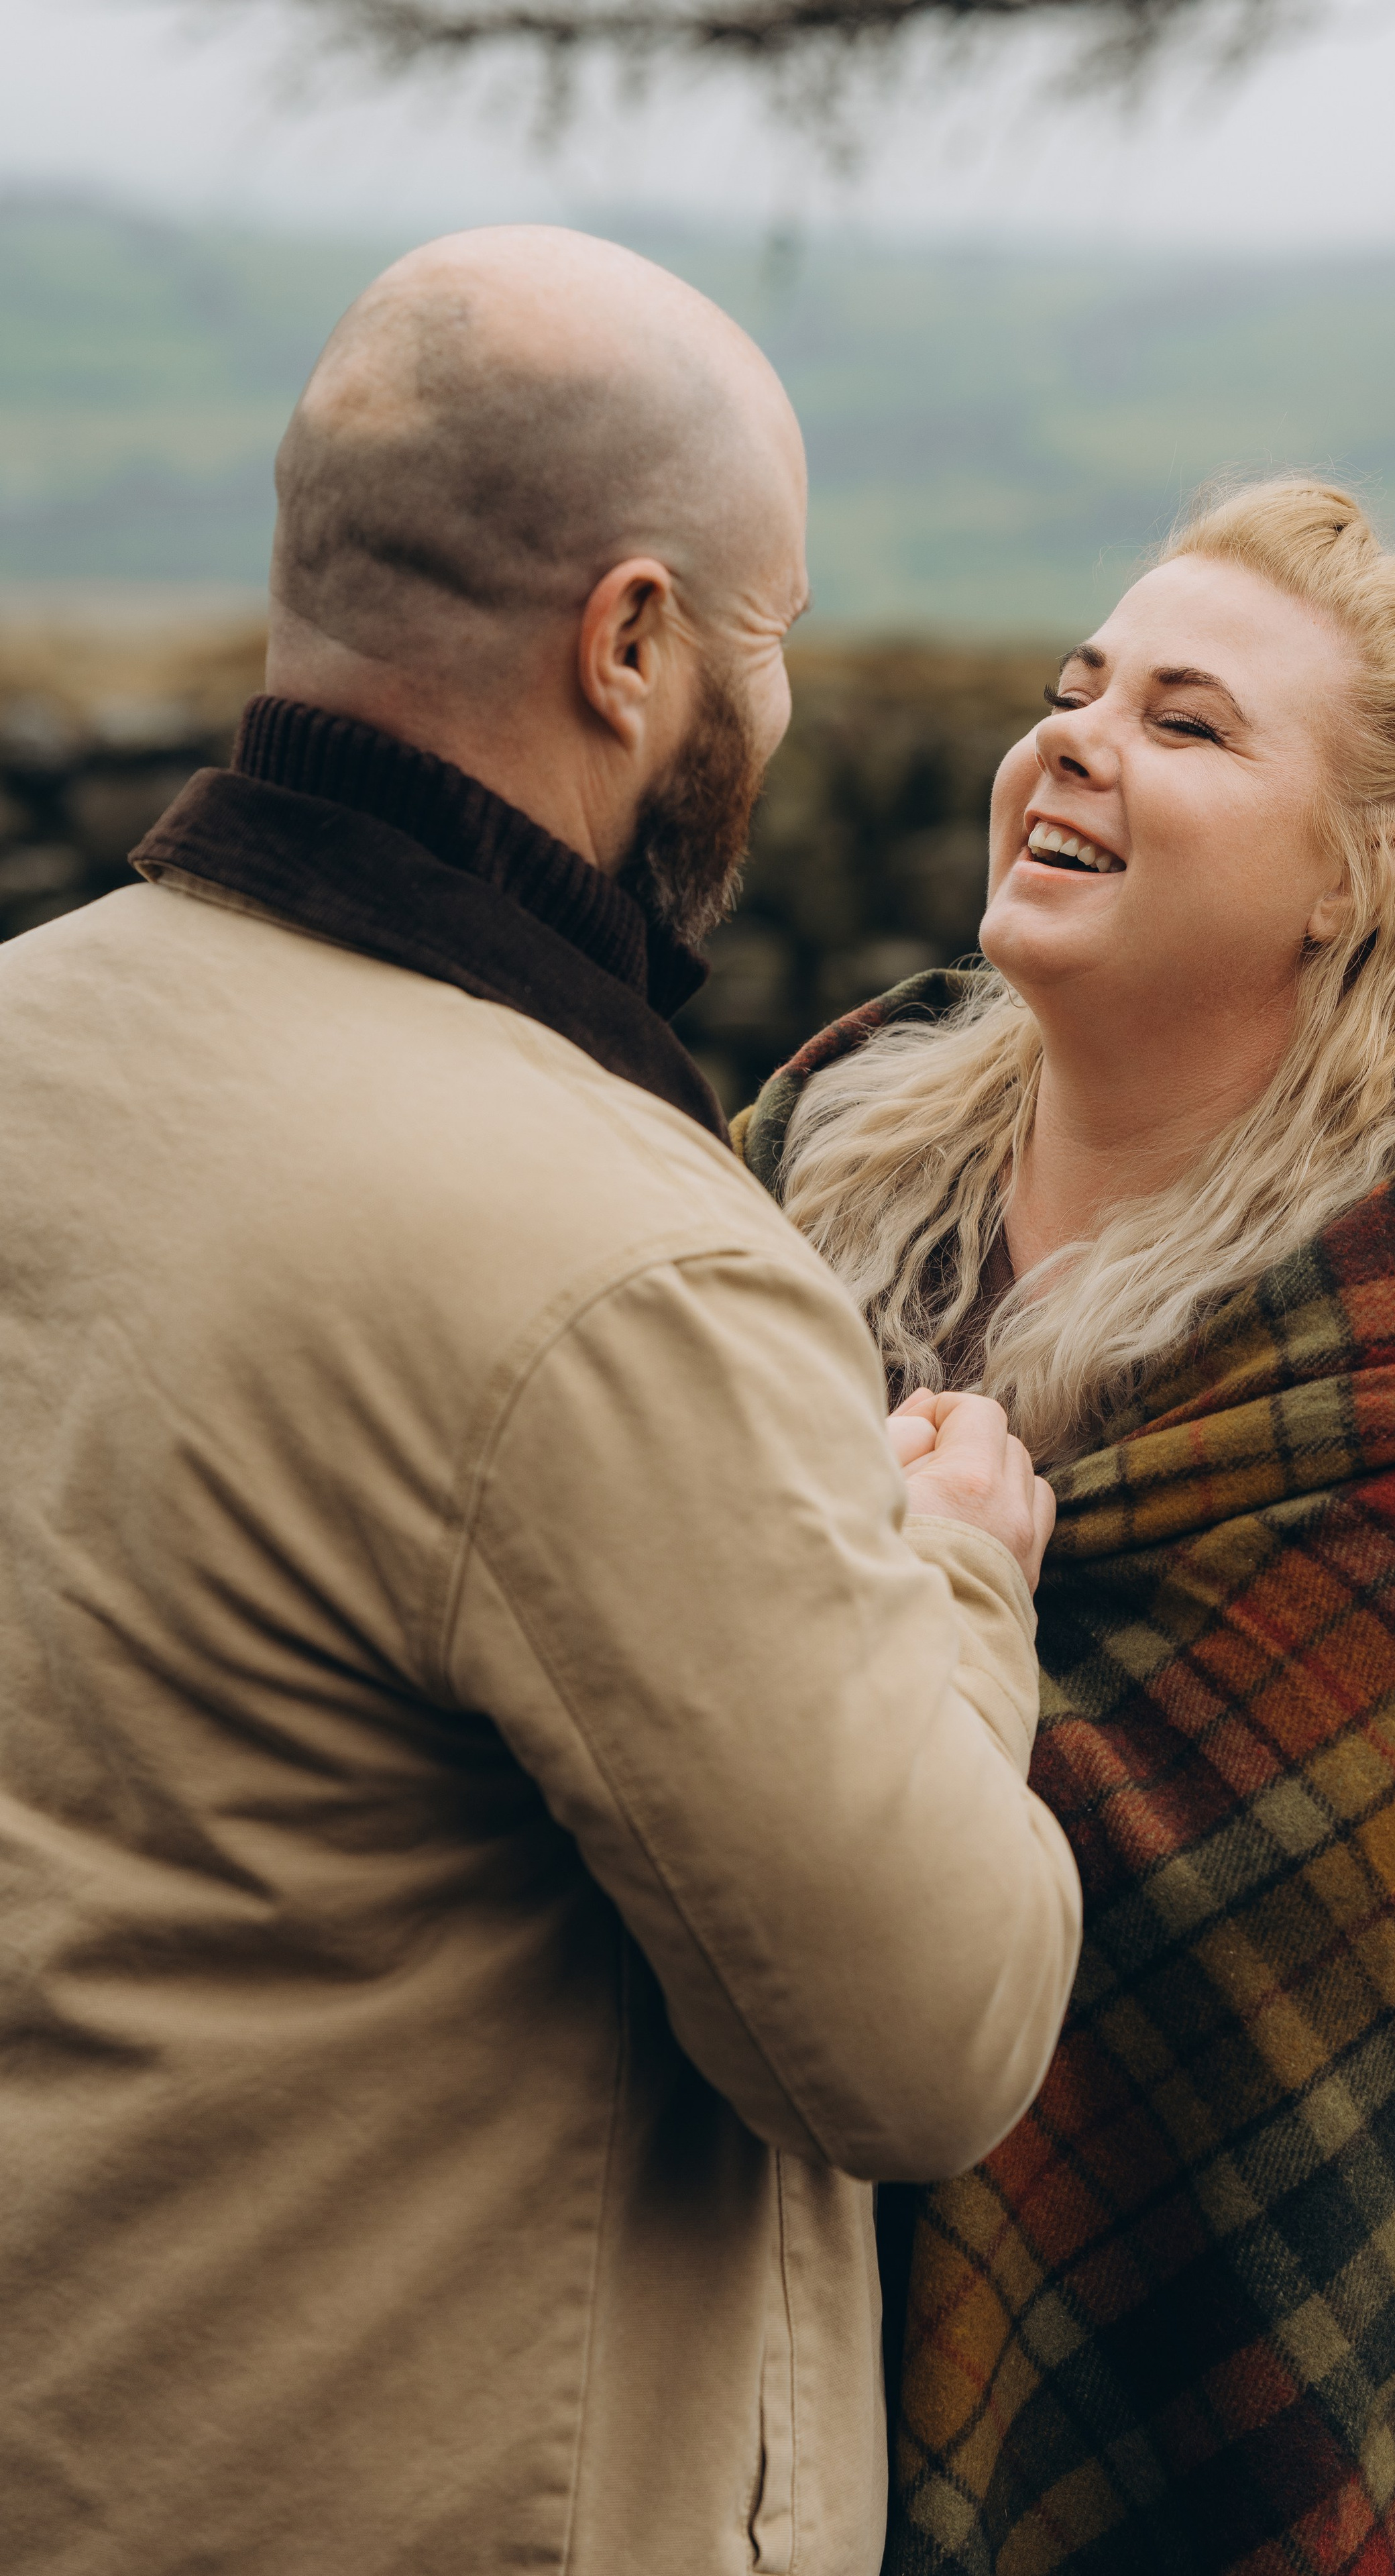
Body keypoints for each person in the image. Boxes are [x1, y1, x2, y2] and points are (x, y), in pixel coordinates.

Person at [0, 226, 1083, 2576]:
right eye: (761, 638)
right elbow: (916, 2038)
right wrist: (958, 1583)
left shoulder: (24, 1036)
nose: (775, 717)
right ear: (630, 645)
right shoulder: (616, 1260)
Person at [736, 479, 1395, 2576]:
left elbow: (1214, 2011)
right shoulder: (794, 1190)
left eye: (1187, 723)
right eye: (1077, 691)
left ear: (1366, 872)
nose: (1074, 738)